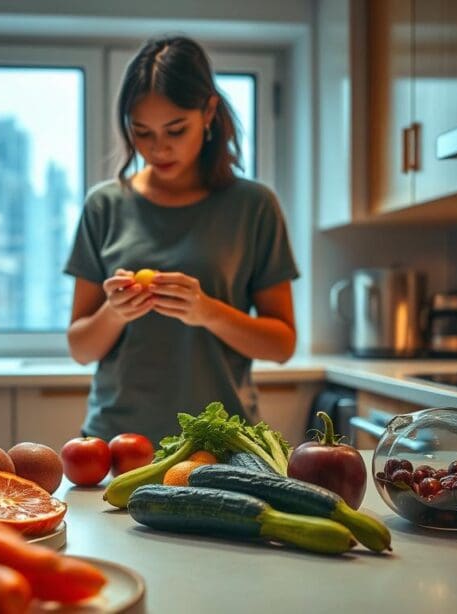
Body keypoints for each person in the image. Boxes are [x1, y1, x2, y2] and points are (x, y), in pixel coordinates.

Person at [64, 35, 299, 445]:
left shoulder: (254, 205)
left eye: (175, 129)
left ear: (209, 111)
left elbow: (281, 344)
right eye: (142, 132)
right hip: (116, 443)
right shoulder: (104, 205)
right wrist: (116, 311)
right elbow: (81, 348)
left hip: (224, 444)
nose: (158, 148)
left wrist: (207, 311)